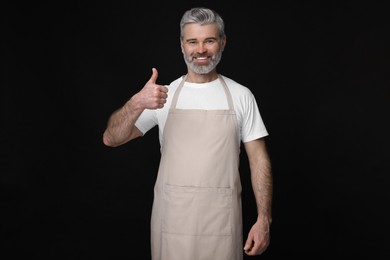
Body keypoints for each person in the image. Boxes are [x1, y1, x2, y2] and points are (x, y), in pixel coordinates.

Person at [103, 7, 272, 260]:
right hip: (172, 224)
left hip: (221, 224)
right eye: (192, 41)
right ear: (182, 46)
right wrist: (137, 102)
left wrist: (263, 219)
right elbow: (111, 138)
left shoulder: (241, 96)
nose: (200, 50)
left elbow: (259, 159)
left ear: (223, 43)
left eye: (209, 41)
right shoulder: (163, 97)